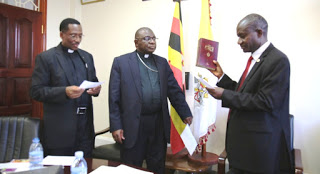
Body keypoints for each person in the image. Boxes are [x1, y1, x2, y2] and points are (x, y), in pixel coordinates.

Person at [206, 14, 293, 174]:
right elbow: (243, 93)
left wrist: (224, 94)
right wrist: (221, 77)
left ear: (259, 32)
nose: (238, 42)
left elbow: (265, 101)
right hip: (244, 148)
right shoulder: (255, 59)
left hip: (258, 151)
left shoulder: (278, 60)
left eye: (242, 36)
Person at [109, 27, 193, 174]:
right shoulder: (121, 62)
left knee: (157, 165)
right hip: (133, 124)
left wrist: (185, 112)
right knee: (131, 167)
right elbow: (114, 98)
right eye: (147, 39)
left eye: (154, 38)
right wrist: (116, 125)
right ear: (136, 43)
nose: (152, 42)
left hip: (157, 124)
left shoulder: (161, 63)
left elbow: (174, 90)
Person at [30, 18, 101, 157]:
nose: (77, 39)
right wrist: (64, 92)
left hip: (85, 127)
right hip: (60, 129)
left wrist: (96, 90)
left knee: (84, 165)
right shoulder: (46, 58)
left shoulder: (87, 57)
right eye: (73, 35)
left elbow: (93, 81)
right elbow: (35, 91)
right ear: (62, 34)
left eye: (80, 35)